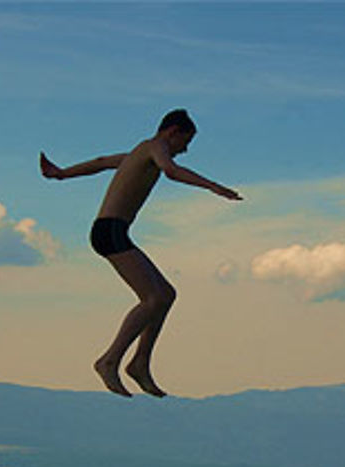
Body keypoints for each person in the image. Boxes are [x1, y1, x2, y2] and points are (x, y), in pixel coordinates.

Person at [41, 109, 242, 398]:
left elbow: (100, 163)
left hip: (113, 232)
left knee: (166, 295)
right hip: (109, 231)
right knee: (154, 298)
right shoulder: (154, 147)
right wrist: (213, 187)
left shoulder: (139, 153)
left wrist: (62, 174)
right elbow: (171, 171)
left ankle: (139, 364)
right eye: (184, 142)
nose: (184, 150)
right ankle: (109, 360)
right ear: (172, 132)